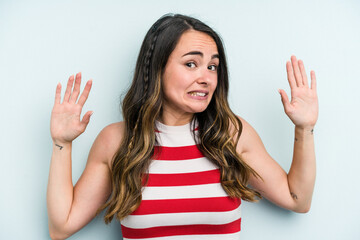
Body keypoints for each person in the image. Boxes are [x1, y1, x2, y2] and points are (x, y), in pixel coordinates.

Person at [47, 14, 318, 240]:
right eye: (191, 64)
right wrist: (62, 143)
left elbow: (297, 199)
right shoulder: (118, 141)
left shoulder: (232, 134)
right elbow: (62, 226)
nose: (207, 78)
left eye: (213, 66)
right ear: (157, 69)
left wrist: (304, 129)